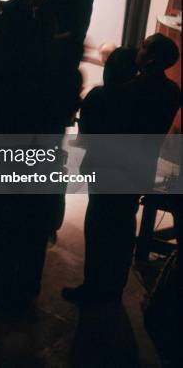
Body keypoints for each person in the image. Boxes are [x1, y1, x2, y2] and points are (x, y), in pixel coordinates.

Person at [63, 35, 180, 304]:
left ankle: (93, 287)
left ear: (149, 58)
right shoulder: (172, 92)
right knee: (124, 227)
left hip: (108, 169)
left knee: (98, 229)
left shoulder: (120, 93)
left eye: (143, 47)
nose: (139, 50)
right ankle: (115, 287)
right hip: (140, 168)